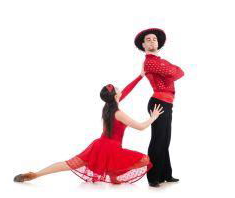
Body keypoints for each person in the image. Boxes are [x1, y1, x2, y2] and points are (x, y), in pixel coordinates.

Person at [14, 77, 164, 184]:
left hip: (99, 146)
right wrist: (153, 117)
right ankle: (113, 175)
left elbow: (127, 90)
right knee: (145, 159)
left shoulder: (108, 107)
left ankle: (36, 174)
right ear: (116, 95)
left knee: (68, 164)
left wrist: (140, 76)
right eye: (119, 89)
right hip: (111, 149)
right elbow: (141, 127)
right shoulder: (119, 113)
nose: (121, 90)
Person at [135, 28, 184, 187]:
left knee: (166, 139)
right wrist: (172, 70)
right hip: (158, 103)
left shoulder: (161, 61)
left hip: (167, 103)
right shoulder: (150, 62)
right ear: (143, 45)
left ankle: (166, 174)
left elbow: (179, 72)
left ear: (158, 43)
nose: (151, 42)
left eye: (154, 39)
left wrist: (172, 70)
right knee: (158, 140)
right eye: (148, 40)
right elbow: (175, 73)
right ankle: (153, 177)